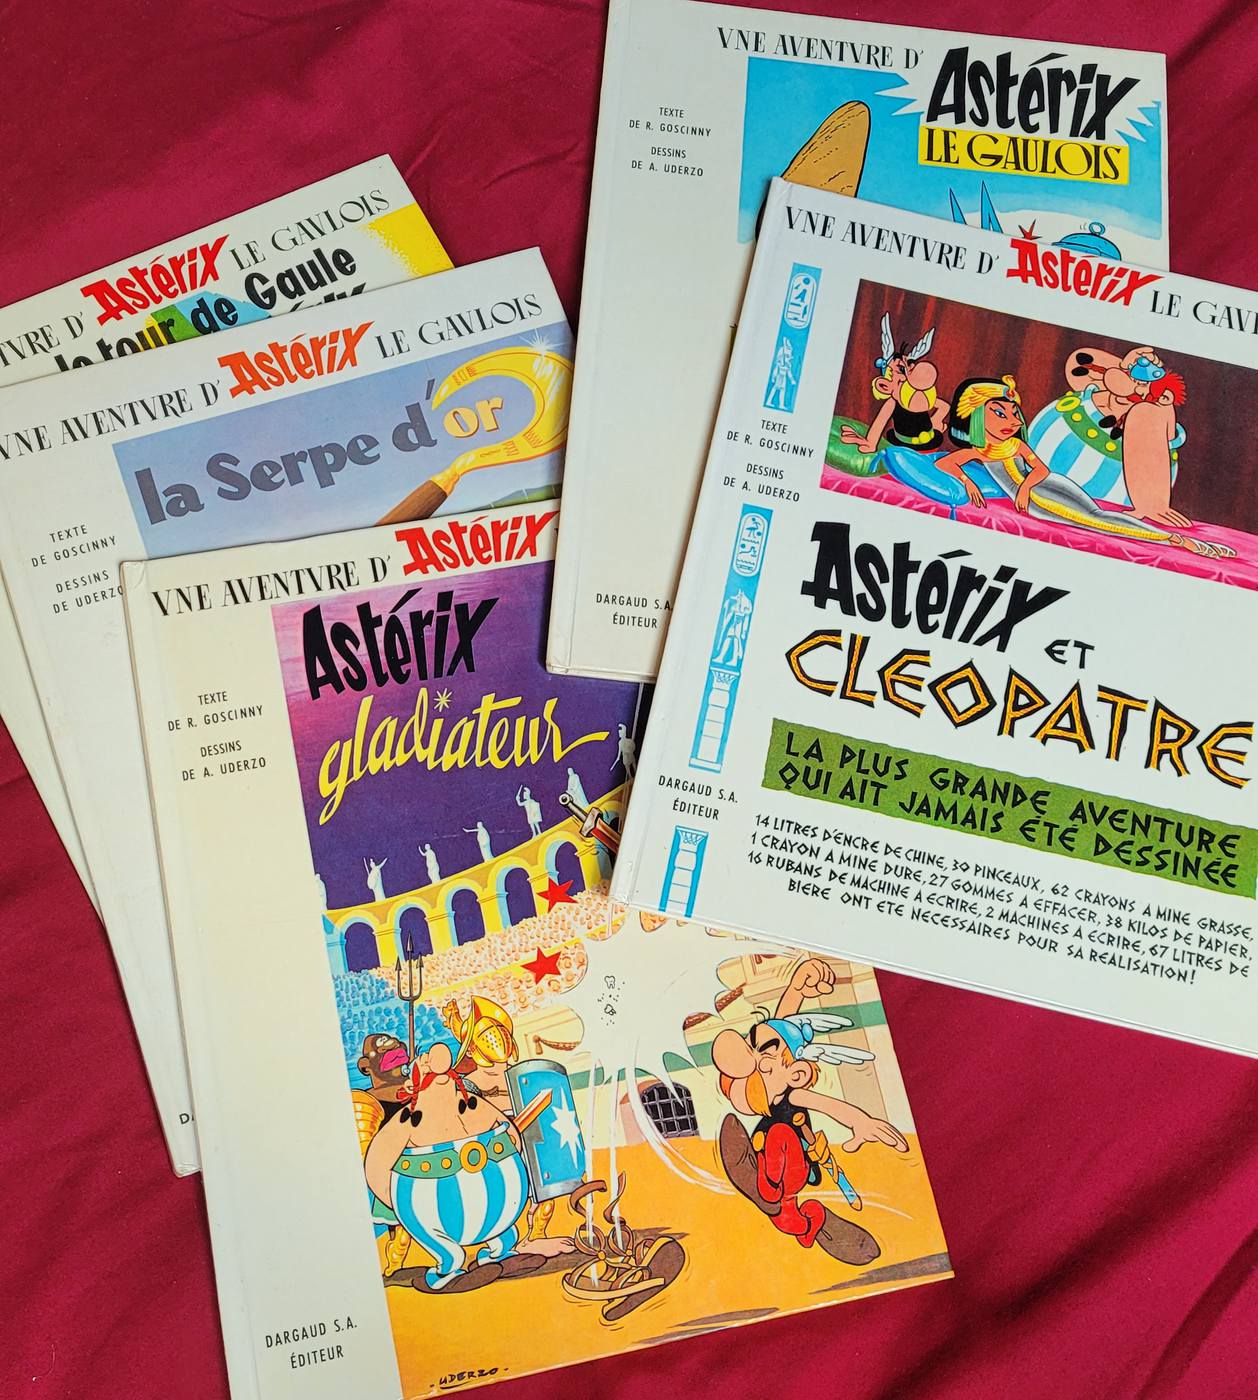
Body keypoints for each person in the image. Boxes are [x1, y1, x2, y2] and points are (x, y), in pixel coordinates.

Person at [713, 958, 907, 1264]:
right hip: (772, 1167)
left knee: (779, 1134)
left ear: (797, 1074)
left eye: (765, 1065)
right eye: (753, 1049)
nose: (755, 1065)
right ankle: (810, 1222)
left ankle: (769, 1191)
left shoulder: (794, 1094)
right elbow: (780, 1023)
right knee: (783, 1214)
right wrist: (796, 989)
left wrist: (860, 1121)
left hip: (792, 1167)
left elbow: (829, 1105)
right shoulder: (771, 1075)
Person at [926, 376, 1233, 558]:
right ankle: (1179, 541)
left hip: (1047, 488)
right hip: (1039, 502)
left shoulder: (1016, 446)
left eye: (1013, 413)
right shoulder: (980, 451)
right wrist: (968, 482)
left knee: (1098, 516)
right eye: (999, 413)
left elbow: (1041, 470)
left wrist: (1024, 489)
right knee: (1098, 522)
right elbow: (948, 463)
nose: (1012, 421)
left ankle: (1181, 541)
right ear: (977, 417)